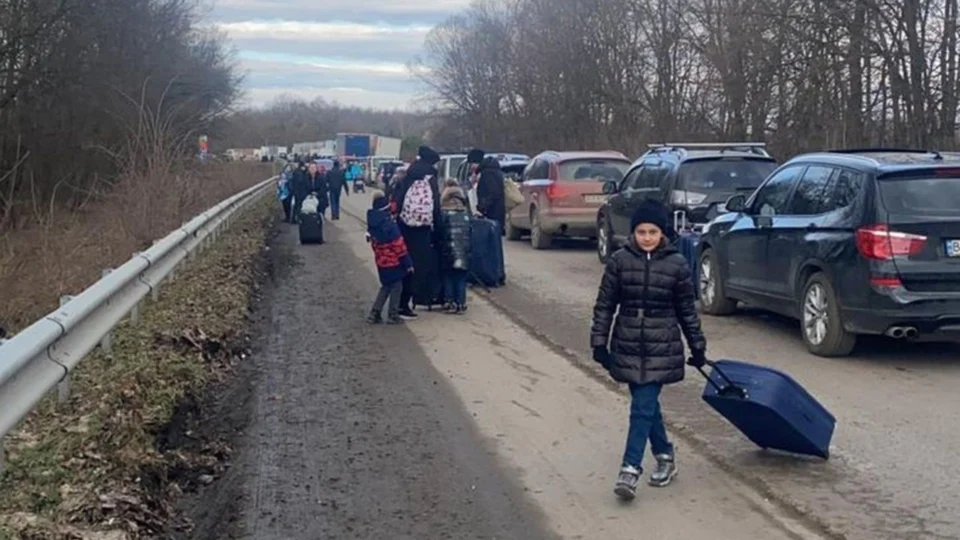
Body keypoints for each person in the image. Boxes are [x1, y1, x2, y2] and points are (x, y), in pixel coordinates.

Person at [590, 199, 707, 502]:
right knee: (647, 406)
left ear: (662, 233)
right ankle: (665, 455)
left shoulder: (677, 265)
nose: (646, 237)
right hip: (628, 341)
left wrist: (697, 346)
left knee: (641, 406)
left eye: (653, 232)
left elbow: (687, 311)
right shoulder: (619, 261)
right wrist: (599, 342)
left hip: (661, 345)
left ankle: (630, 468)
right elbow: (605, 305)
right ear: (633, 233)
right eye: (641, 232)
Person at [393, 146, 443, 319]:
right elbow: (436, 207)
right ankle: (408, 303)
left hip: (404, 226)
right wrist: (438, 229)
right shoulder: (431, 179)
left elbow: (397, 200)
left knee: (403, 263)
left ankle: (397, 303)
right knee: (418, 266)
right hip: (422, 230)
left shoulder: (408, 175)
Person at [366, 192, 414, 324]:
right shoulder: (390, 226)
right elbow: (399, 246)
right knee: (397, 287)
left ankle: (375, 313)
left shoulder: (373, 225)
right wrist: (408, 263)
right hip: (393, 262)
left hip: (381, 261)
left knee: (386, 286)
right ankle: (393, 314)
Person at [439, 178, 472, 314]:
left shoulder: (444, 213)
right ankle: (461, 303)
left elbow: (439, 231)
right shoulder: (465, 213)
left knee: (448, 275)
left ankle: (449, 301)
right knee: (461, 277)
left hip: (448, 250)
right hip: (464, 250)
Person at [476, 156, 506, 234]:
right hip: (499, 207)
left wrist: (483, 207)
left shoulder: (487, 174)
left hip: (492, 209)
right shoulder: (498, 173)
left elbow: (493, 192)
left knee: (492, 231)